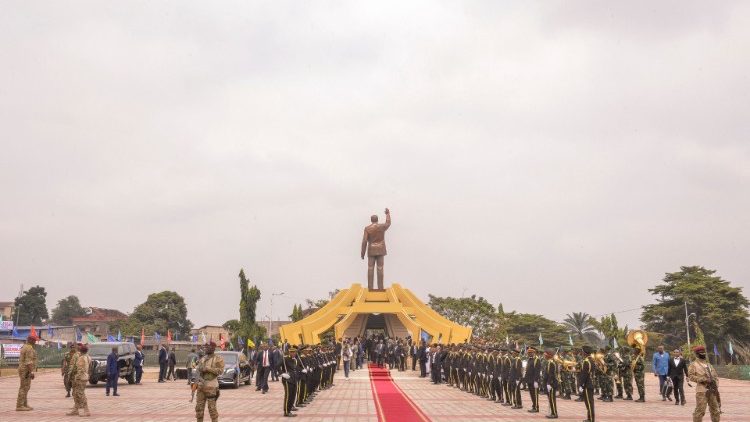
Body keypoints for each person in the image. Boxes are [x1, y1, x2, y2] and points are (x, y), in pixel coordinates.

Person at [688, 345, 720, 422]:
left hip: (712, 390)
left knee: (716, 410)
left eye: (704, 352)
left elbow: (715, 376)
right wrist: (703, 379)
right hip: (702, 390)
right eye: (701, 352)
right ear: (697, 354)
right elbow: (691, 376)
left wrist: (716, 384)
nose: (703, 354)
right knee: (700, 411)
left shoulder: (709, 365)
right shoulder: (693, 365)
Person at [360, 208, 391, 290]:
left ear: (371, 220)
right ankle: (381, 288)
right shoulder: (382, 227)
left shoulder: (367, 228)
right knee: (380, 268)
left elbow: (364, 241)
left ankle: (370, 288)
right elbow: (388, 223)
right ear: (377, 220)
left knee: (370, 268)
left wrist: (362, 253)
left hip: (371, 250)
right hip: (381, 249)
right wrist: (387, 214)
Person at [195, 342, 224, 422]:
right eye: (205, 347)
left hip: (211, 386)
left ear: (213, 348)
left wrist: (208, 369)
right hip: (201, 386)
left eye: (208, 347)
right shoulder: (203, 358)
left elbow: (220, 371)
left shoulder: (218, 358)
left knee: (212, 409)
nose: (206, 348)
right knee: (199, 408)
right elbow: (198, 370)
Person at [67, 343, 91, 417]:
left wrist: (75, 378)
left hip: (80, 378)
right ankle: (76, 409)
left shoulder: (81, 358)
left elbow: (80, 369)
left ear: (80, 350)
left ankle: (86, 410)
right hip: (85, 377)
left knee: (80, 394)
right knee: (77, 393)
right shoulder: (88, 357)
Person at [16, 335, 38, 411]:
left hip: (23, 369)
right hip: (26, 370)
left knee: (26, 387)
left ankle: (24, 404)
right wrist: (31, 372)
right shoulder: (29, 348)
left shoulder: (24, 346)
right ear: (31, 340)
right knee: (24, 387)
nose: (35, 342)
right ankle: (20, 405)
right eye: (34, 340)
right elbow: (28, 362)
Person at [279, 346, 300, 417]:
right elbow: (276, 366)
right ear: (289, 352)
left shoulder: (294, 360)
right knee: (288, 395)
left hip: (294, 379)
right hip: (287, 380)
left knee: (293, 395)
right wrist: (282, 373)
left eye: (294, 352)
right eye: (292, 352)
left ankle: (290, 409)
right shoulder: (285, 359)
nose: (293, 353)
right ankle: (286, 411)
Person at [578, 345, 595, 422]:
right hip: (590, 383)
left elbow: (584, 374)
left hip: (587, 384)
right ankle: (590, 418)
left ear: (584, 352)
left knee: (589, 403)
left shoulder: (586, 361)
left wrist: (581, 385)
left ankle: (591, 419)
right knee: (589, 402)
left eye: (582, 351)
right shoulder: (591, 360)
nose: (581, 352)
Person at [543, 348, 558, 419]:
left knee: (552, 399)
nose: (544, 356)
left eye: (545, 355)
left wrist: (549, 383)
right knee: (551, 399)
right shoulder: (549, 362)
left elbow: (551, 374)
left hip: (551, 383)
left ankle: (554, 413)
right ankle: (553, 412)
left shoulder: (551, 363)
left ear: (549, 356)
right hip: (550, 383)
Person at [525, 347, 541, 413]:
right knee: (531, 394)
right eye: (528, 353)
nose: (529, 354)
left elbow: (537, 371)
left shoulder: (536, 360)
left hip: (534, 380)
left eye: (530, 353)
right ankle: (533, 406)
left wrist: (536, 381)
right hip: (529, 380)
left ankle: (536, 407)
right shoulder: (529, 359)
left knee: (535, 394)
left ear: (533, 353)